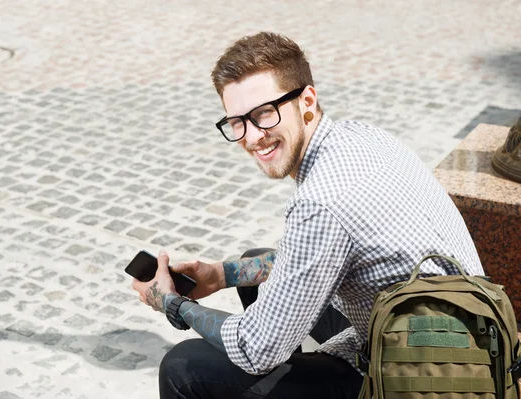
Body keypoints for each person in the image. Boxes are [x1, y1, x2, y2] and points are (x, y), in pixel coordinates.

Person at [131, 32, 484, 399]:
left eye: (264, 113)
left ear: (307, 101)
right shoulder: (364, 137)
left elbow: (255, 348)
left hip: (429, 383)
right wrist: (222, 274)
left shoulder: (322, 201)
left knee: (183, 368)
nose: (252, 137)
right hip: (460, 342)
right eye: (237, 122)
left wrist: (173, 304)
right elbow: (315, 257)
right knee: (254, 266)